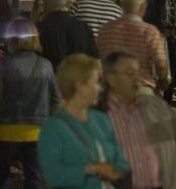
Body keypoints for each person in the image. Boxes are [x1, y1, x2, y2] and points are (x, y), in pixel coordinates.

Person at [103, 51, 176, 189]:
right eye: (130, 73)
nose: (137, 79)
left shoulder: (151, 104)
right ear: (111, 79)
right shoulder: (101, 114)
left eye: (137, 73)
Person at [0, 18, 60, 189]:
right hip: (37, 131)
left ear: (11, 39)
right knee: (34, 178)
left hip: (7, 130)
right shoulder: (45, 65)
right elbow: (56, 99)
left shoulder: (3, 65)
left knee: (1, 178)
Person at [37, 54, 129, 189]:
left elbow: (121, 158)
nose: (100, 88)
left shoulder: (101, 120)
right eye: (96, 82)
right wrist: (91, 169)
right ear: (80, 86)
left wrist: (116, 170)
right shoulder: (52, 128)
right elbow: (53, 176)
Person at [97, 0, 169, 92]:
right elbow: (161, 65)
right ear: (143, 7)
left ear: (122, 5)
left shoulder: (106, 29)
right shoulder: (150, 32)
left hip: (112, 89)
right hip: (141, 88)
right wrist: (162, 81)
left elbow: (98, 59)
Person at [37, 0, 98, 69]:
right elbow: (94, 59)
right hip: (79, 75)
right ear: (67, 1)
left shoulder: (41, 28)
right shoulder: (83, 27)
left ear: (45, 2)